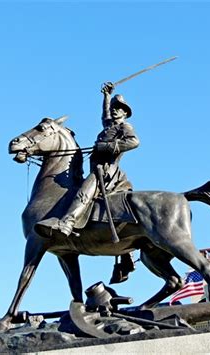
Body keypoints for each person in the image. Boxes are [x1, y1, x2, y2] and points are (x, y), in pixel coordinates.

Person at [36, 82, 139, 283]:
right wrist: (106, 96)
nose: (116, 111)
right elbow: (104, 116)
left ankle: (67, 222)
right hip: (97, 169)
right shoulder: (110, 125)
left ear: (125, 113)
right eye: (115, 108)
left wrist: (108, 146)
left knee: (84, 191)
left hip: (107, 172)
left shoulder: (125, 127)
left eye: (120, 109)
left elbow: (134, 142)